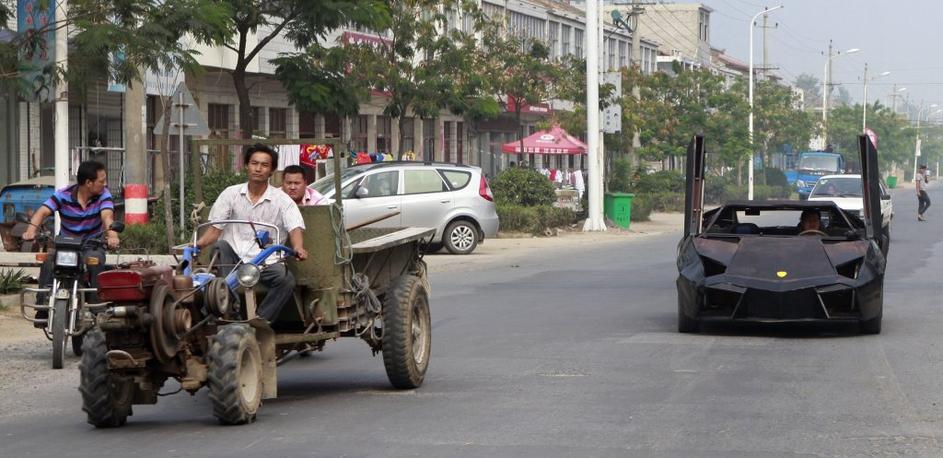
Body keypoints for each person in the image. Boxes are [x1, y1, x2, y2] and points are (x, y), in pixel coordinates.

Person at [195, 144, 309, 323]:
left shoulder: (283, 201)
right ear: (246, 165)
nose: (258, 168)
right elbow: (214, 230)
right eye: (254, 163)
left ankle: (259, 322)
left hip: (266, 263)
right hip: (233, 260)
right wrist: (197, 244)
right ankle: (229, 306)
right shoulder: (230, 194)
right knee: (220, 246)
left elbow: (295, 228)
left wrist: (299, 248)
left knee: (286, 280)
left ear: (271, 170)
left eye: (264, 165)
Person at [22, 160, 120, 326]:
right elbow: (42, 212)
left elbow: (107, 217)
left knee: (95, 260)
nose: (105, 184)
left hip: (92, 245)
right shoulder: (63, 195)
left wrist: (112, 236)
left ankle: (97, 305)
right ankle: (42, 307)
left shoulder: (104, 195)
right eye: (101, 181)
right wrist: (31, 229)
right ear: (88, 183)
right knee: (48, 262)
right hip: (66, 245)